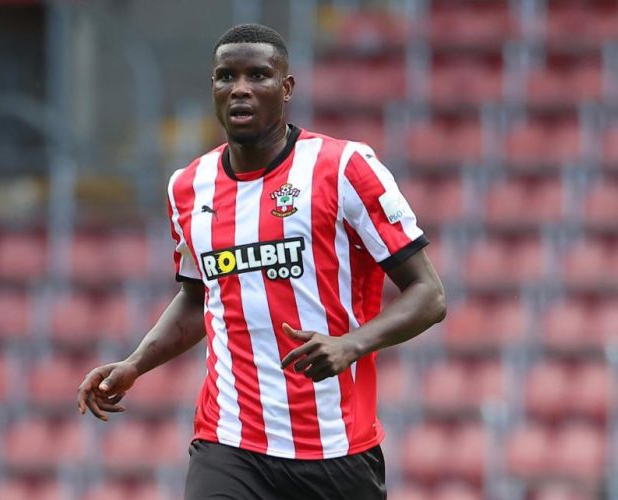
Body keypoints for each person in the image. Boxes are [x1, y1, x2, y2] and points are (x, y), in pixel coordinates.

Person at [77, 23, 446, 500]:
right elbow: (199, 297)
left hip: (335, 447)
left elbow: (429, 294)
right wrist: (135, 363)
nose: (240, 90)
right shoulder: (188, 187)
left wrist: (350, 345)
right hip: (228, 442)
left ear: (286, 87)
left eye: (258, 76)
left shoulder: (344, 168)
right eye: (225, 77)